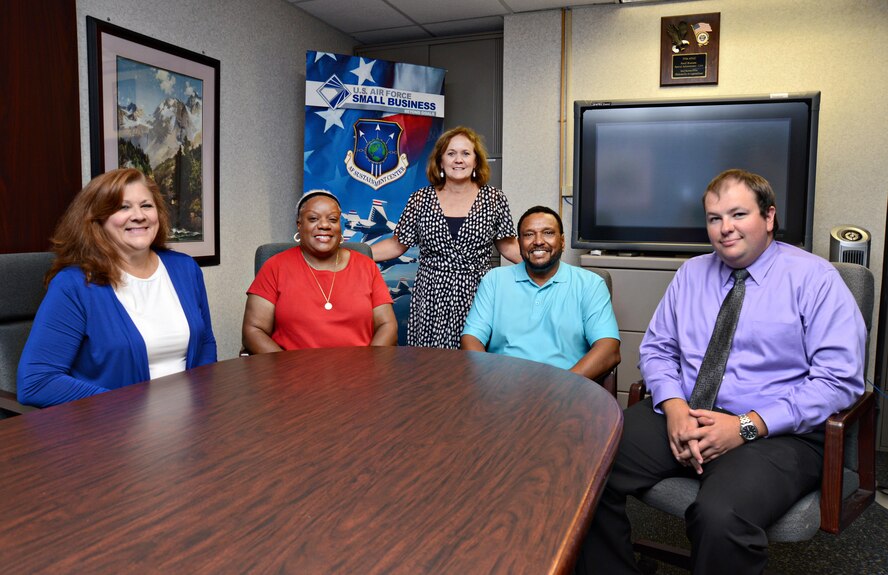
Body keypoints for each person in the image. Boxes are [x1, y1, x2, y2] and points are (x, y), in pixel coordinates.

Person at [576, 169, 866, 575]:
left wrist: (745, 427)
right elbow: (658, 349)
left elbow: (838, 380)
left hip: (776, 434)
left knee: (720, 517)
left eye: (738, 214)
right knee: (582, 464)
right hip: (686, 414)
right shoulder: (691, 274)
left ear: (768, 217)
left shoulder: (816, 280)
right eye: (714, 218)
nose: (725, 228)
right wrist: (675, 408)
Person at [17, 168, 217, 408]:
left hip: (191, 424)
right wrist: (123, 407)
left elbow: (205, 345)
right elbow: (37, 382)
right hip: (116, 432)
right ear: (97, 219)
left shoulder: (185, 269)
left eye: (146, 205)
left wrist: (204, 407)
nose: (138, 215)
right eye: (123, 207)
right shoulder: (74, 285)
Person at [371, 126, 521, 349]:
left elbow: (508, 246)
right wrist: (350, 253)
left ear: (476, 162)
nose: (458, 160)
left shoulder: (494, 199)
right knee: (432, 366)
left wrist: (552, 270)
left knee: (476, 365)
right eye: (451, 153)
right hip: (431, 295)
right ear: (440, 161)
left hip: (478, 293)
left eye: (465, 153)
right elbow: (396, 245)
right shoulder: (420, 199)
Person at [461, 206, 620, 380]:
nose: (538, 241)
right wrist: (490, 380)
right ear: (519, 242)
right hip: (502, 389)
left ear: (562, 241)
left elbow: (609, 350)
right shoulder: (494, 280)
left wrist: (563, 388)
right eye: (529, 234)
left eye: (548, 233)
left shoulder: (590, 284)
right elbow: (471, 339)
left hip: (567, 390)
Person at [242, 190, 397, 352]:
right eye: (313, 218)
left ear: (340, 227)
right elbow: (253, 330)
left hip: (360, 372)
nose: (324, 225)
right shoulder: (274, 267)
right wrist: (285, 371)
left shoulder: (366, 266)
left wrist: (369, 366)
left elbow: (387, 325)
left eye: (333, 219)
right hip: (292, 373)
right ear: (299, 225)